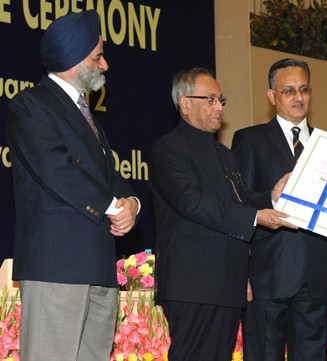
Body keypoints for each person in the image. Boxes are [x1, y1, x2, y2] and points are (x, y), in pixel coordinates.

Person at [6, 10, 140, 361]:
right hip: (57, 266)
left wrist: (130, 203)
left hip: (97, 265)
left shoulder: (85, 114)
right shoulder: (31, 105)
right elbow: (57, 169)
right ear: (72, 59)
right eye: (98, 56)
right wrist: (113, 208)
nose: (106, 65)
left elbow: (110, 173)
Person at [150, 67, 296, 361]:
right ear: (185, 103)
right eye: (211, 100)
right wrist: (256, 217)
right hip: (192, 283)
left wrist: (270, 196)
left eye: (221, 100)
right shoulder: (168, 148)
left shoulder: (225, 154)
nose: (219, 107)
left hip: (228, 282)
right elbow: (193, 203)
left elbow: (237, 202)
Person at [232, 58, 327, 361]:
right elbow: (239, 205)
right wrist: (271, 199)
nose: (298, 97)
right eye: (288, 91)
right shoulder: (249, 140)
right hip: (267, 276)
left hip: (318, 277)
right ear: (272, 96)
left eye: (304, 89)